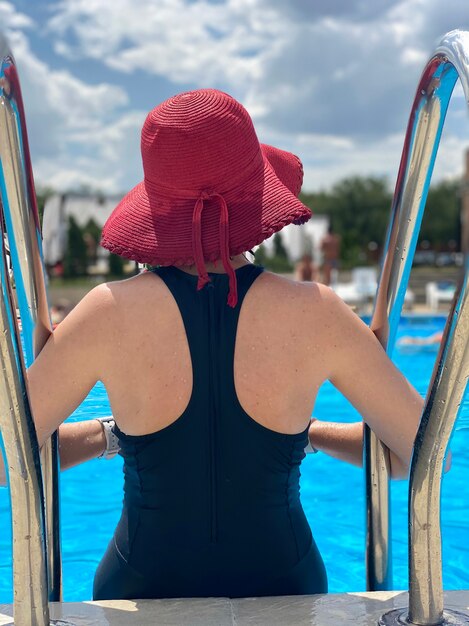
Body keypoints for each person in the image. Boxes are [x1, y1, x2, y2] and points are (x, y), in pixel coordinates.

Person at [26, 89, 423, 600]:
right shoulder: (316, 312)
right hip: (287, 588)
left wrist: (112, 435)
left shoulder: (107, 312)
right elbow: (422, 456)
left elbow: (4, 460)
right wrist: (309, 434)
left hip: (140, 588)